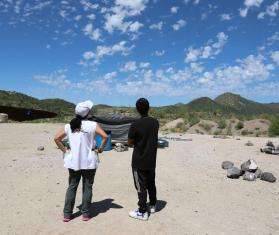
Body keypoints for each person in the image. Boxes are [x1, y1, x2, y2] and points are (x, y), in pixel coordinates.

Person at [54, 100, 107, 222]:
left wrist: (65, 150)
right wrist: (100, 149)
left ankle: (67, 214)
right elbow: (104, 136)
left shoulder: (69, 126)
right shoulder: (93, 125)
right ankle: (86, 214)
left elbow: (56, 138)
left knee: (72, 186)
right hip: (89, 161)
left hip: (73, 162)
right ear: (87, 113)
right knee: (87, 187)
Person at [128, 98, 159, 221]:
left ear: (137, 109)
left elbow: (130, 142)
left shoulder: (135, 124)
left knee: (141, 186)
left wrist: (137, 141)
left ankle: (142, 212)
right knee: (151, 183)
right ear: (148, 108)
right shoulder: (155, 122)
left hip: (138, 161)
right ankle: (152, 205)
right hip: (151, 160)